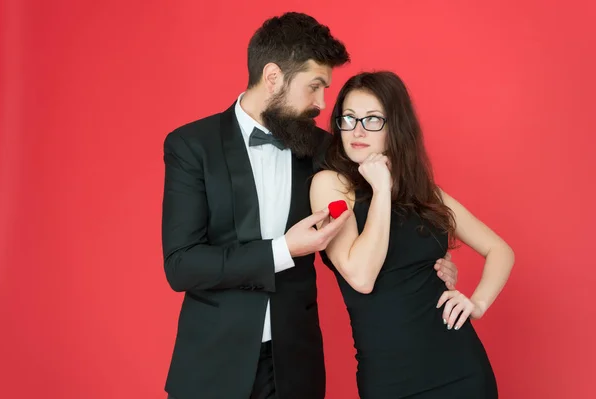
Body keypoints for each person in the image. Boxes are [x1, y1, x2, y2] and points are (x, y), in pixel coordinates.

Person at [161, 13, 459, 399]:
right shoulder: (190, 146)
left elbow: (377, 218)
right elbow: (181, 266)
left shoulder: (322, 149)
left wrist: (427, 262)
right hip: (211, 367)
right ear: (273, 78)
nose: (322, 103)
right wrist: (284, 250)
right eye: (315, 87)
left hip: (294, 368)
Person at [311, 71, 515, 398]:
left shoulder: (425, 193)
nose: (358, 130)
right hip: (391, 379)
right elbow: (362, 276)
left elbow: (500, 250)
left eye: (372, 119)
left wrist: (477, 303)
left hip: (460, 366)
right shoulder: (331, 187)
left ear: (396, 127)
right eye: (348, 118)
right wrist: (380, 190)